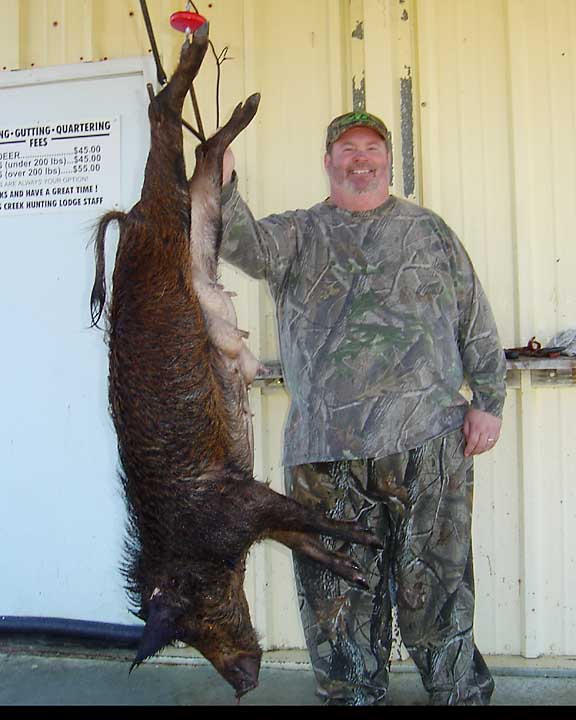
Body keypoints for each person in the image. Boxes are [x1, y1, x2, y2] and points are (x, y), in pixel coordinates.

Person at [218, 111, 506, 706]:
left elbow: (473, 316)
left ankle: (457, 692)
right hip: (327, 455)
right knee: (336, 594)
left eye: (372, 148)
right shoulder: (296, 235)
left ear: (387, 161)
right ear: (328, 161)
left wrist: (489, 400)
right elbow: (236, 240)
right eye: (347, 148)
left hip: (428, 444)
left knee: (440, 584)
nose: (360, 158)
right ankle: (353, 695)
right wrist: (220, 184)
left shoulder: (429, 232)